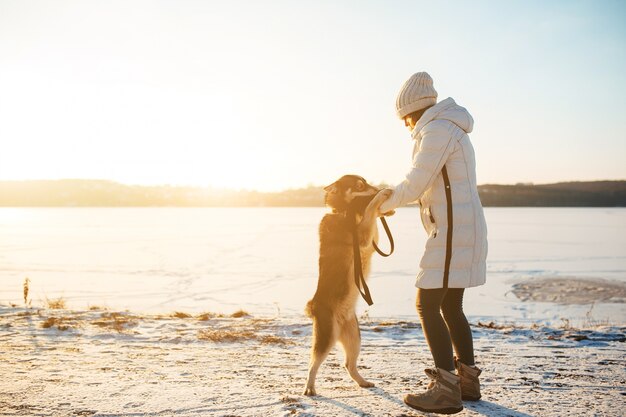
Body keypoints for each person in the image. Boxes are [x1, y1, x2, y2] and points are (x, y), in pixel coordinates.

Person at [378, 72, 487, 415]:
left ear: (413, 111)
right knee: (451, 308)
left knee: (426, 305)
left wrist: (378, 205)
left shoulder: (437, 129)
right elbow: (428, 187)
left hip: (453, 233)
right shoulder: (447, 127)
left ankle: (445, 389)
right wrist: (395, 199)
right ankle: (466, 383)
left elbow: (416, 180)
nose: (404, 125)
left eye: (404, 118)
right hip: (461, 230)